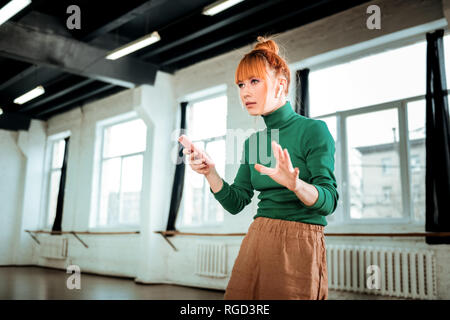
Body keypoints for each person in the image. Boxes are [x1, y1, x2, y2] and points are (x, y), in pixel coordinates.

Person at [182, 36, 338, 300]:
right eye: (241, 84)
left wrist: (295, 184)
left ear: (281, 85)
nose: (245, 91)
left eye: (255, 81)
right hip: (258, 237)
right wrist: (210, 172)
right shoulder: (253, 142)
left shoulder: (313, 130)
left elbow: (329, 201)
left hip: (299, 242)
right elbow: (236, 202)